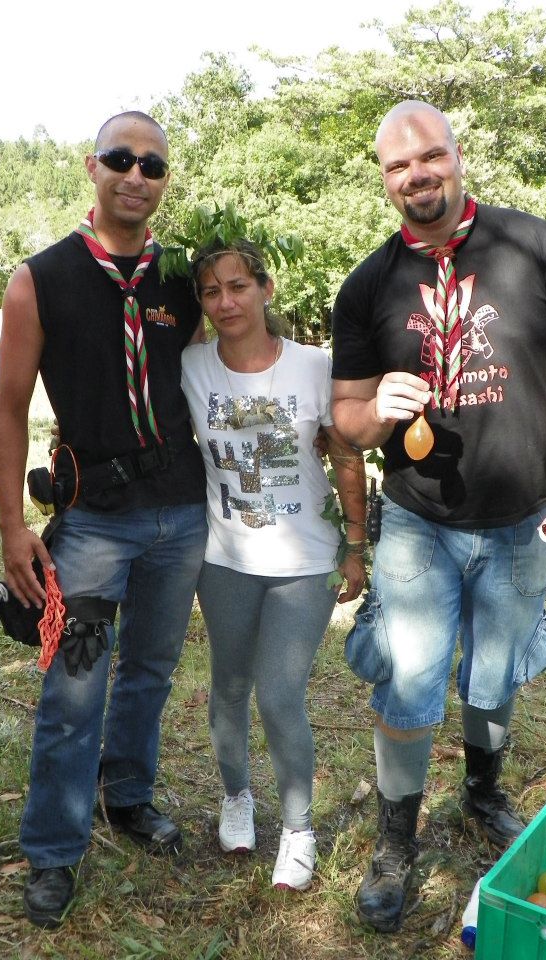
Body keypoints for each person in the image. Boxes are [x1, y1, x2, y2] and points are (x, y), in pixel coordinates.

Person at [330, 100, 546, 933]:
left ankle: (483, 792)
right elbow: (345, 421)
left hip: (521, 521)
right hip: (419, 525)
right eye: (398, 165)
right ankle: (396, 841)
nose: (417, 174)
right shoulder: (368, 284)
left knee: (494, 675)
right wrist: (375, 412)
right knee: (409, 681)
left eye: (430, 156)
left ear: (457, 155)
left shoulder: (534, 245)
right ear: (384, 179)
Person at [0, 111, 208, 928]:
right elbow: (8, 408)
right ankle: (53, 849)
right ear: (93, 167)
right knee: (74, 685)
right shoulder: (40, 279)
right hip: (93, 521)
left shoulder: (183, 280)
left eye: (152, 165)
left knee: (149, 671)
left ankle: (129, 796)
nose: (136, 175)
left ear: (164, 179)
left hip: (181, 513)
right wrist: (12, 526)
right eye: (121, 159)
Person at [179, 236, 367, 891]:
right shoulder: (191, 366)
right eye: (211, 291)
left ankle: (298, 829)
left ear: (266, 288)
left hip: (305, 559)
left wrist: (356, 546)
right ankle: (236, 797)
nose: (225, 302)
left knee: (280, 693)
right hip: (225, 557)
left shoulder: (314, 366)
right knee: (229, 686)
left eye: (238, 286)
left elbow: (345, 455)